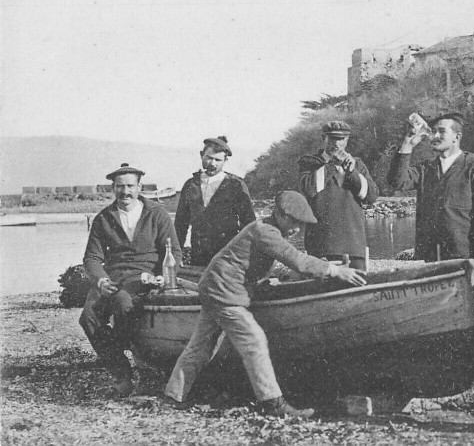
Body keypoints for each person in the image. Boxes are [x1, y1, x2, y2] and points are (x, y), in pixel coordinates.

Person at [163, 191, 367, 417]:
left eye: (302, 225)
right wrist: (334, 270)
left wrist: (323, 267)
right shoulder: (265, 232)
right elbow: (297, 260)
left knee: (200, 347)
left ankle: (172, 396)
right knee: (254, 341)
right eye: (295, 223)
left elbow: (281, 263)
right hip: (224, 292)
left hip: (215, 287)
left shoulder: (267, 230)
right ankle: (273, 403)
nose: (297, 229)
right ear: (279, 214)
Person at [80, 163, 182, 397]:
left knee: (124, 304)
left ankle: (125, 361)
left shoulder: (156, 214)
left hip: (143, 278)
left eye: (130, 186)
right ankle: (121, 373)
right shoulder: (103, 218)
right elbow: (92, 258)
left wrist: (161, 277)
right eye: (119, 187)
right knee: (88, 317)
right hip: (112, 279)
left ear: (139, 187)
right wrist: (101, 281)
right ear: (113, 188)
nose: (125, 192)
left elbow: (174, 252)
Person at [388, 112, 474, 261]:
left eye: (442, 131)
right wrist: (407, 144)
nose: (435, 135)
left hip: (462, 254)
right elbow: (397, 181)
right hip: (428, 255)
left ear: (456, 137)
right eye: (434, 131)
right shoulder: (426, 168)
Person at [298, 121, 378, 270]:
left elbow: (371, 196)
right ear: (324, 138)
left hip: (354, 244)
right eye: (332, 138)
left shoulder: (358, 164)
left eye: (341, 139)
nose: (337, 143)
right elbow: (309, 189)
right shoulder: (309, 162)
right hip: (321, 244)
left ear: (347, 141)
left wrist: (352, 172)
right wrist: (330, 165)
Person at [175, 136, 256, 266]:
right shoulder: (190, 185)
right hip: (198, 253)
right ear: (201, 155)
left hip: (227, 254)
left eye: (218, 160)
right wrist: (176, 254)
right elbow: (180, 224)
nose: (213, 164)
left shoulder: (236, 185)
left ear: (225, 160)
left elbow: (249, 224)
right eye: (209, 158)